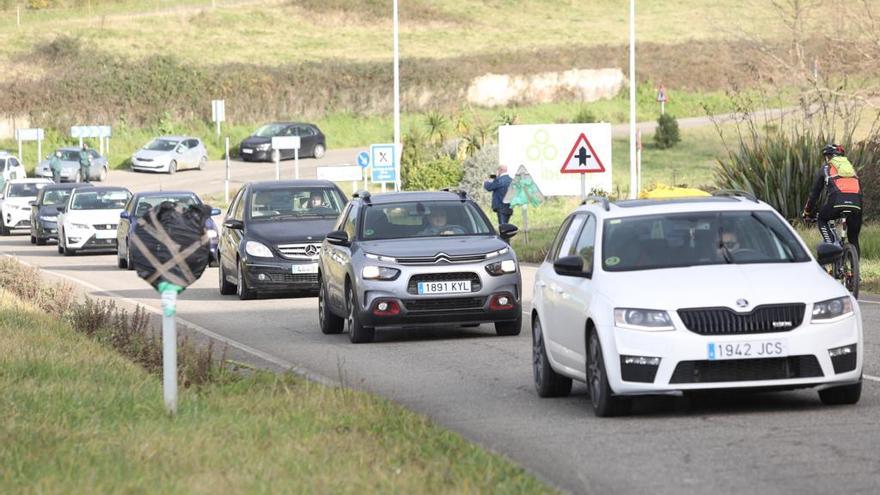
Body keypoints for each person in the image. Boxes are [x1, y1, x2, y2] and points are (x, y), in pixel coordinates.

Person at [803, 144, 862, 255]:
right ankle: (854, 271)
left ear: (828, 157)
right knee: (853, 239)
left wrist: (807, 212)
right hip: (856, 204)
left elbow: (814, 194)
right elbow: (858, 191)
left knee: (822, 218)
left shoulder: (826, 168)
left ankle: (831, 246)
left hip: (837, 202)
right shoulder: (852, 170)